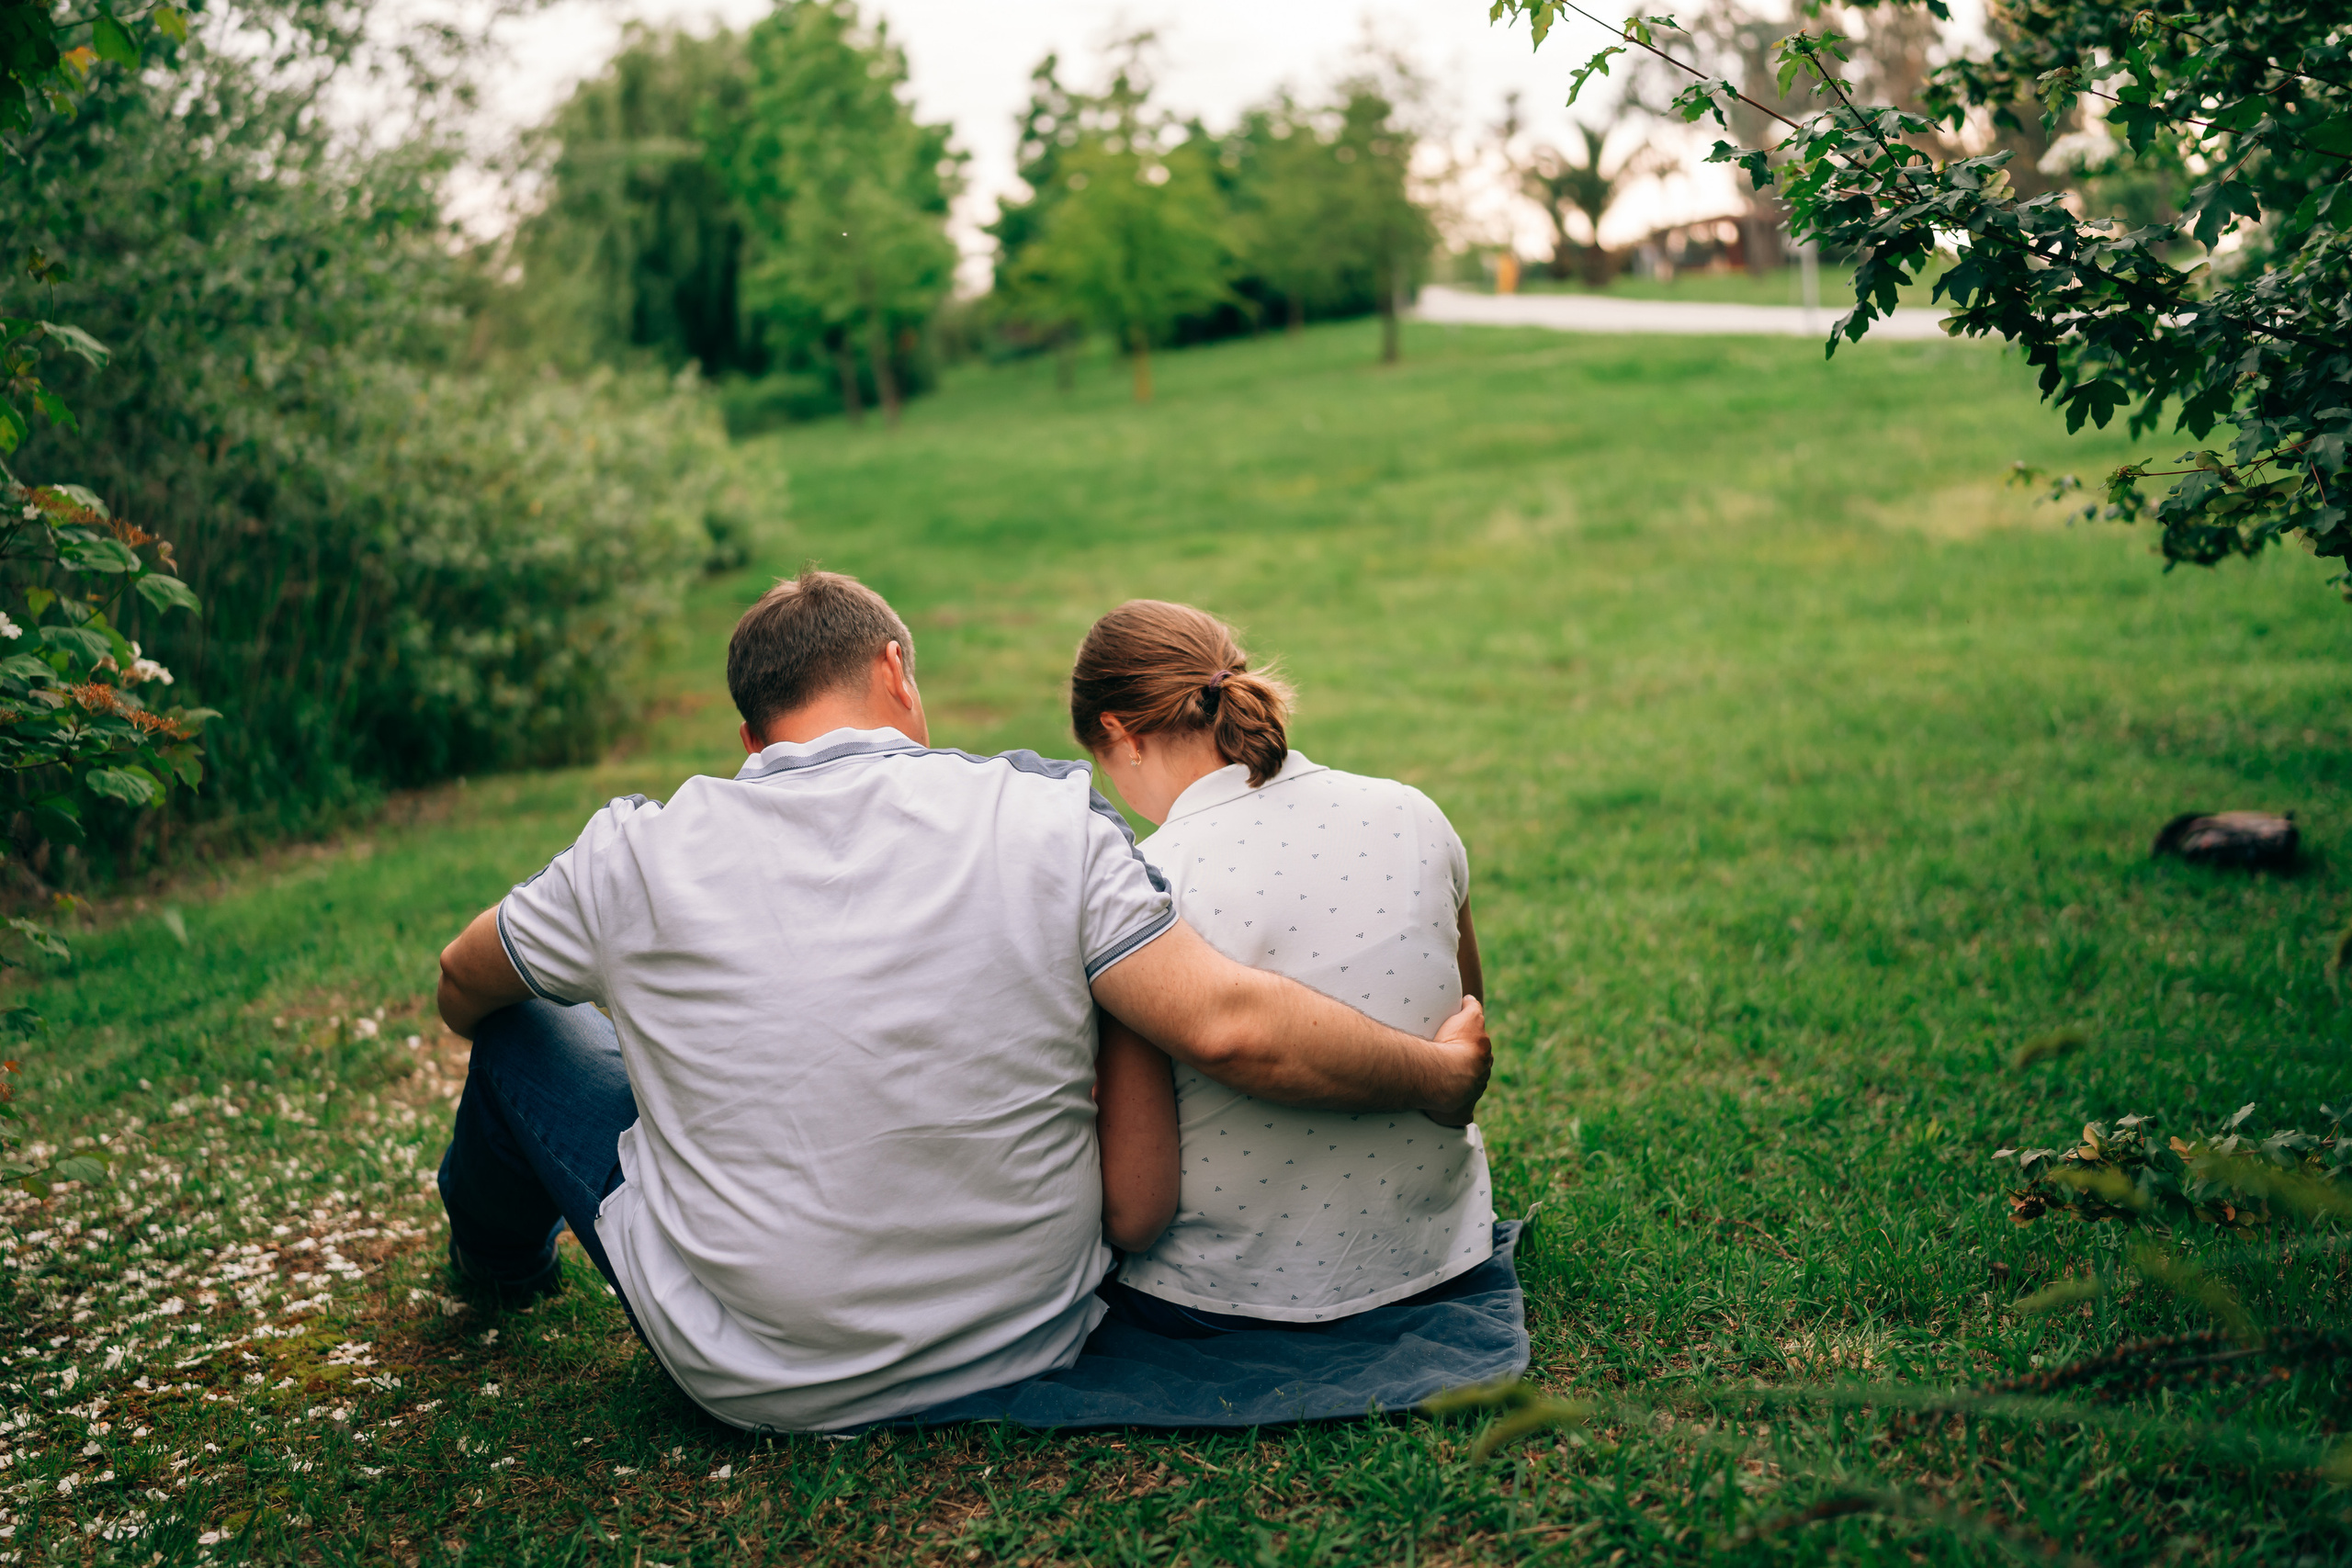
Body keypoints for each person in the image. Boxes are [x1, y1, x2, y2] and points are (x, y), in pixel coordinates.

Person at [430, 569, 1491, 1433]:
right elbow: (1224, 1022)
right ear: (896, 671)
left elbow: (460, 981)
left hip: (760, 1372)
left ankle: (498, 1265)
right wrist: (1436, 1070)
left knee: (522, 1024)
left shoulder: (633, 854)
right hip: (1024, 1332)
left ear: (753, 739)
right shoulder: (1046, 819)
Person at [1077, 600, 1495, 1333]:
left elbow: (1138, 1211)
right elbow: (1463, 1025)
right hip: (1441, 1257)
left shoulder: (1146, 883)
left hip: (1229, 1296)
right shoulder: (1413, 812)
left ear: (1118, 731)